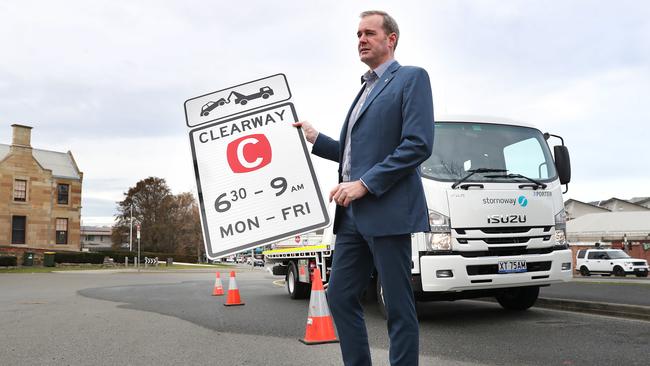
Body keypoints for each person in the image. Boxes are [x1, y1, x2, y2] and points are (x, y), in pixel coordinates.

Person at [294, 10, 434, 366]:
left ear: (391, 39)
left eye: (369, 33)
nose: (361, 39)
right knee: (340, 297)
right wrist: (315, 138)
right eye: (358, 34)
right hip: (352, 216)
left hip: (387, 210)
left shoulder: (411, 78)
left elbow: (417, 144)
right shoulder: (363, 91)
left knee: (398, 307)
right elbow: (353, 153)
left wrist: (365, 185)